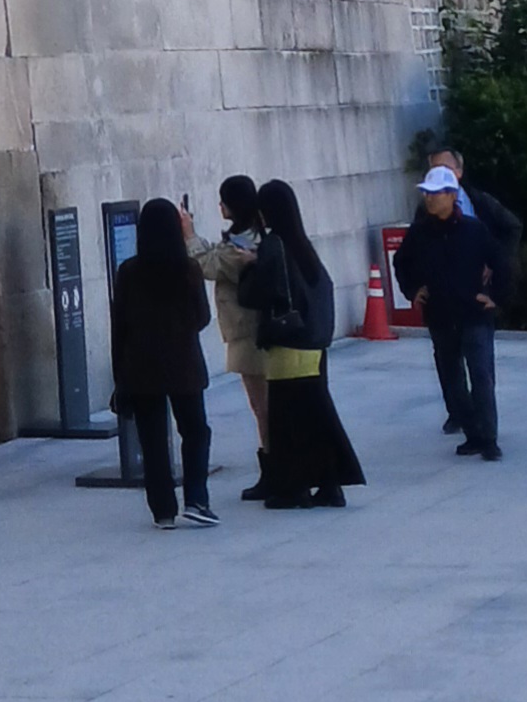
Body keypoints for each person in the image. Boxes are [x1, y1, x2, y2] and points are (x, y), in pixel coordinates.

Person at [242, 178, 364, 509]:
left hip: (287, 343)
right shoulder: (302, 244)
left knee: (287, 419)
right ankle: (329, 484)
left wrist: (248, 266)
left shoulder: (273, 245)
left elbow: (255, 295)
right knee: (315, 416)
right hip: (313, 343)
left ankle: (292, 489)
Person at [109, 197, 217, 529]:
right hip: (184, 363)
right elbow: (202, 317)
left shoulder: (128, 272)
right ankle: (196, 497)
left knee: (153, 440)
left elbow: (119, 326)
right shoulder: (189, 269)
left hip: (141, 366)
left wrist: (120, 374)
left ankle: (163, 510)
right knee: (195, 431)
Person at [395, 164, 502, 459]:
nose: (430, 199)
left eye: (436, 193)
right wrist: (412, 290)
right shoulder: (419, 233)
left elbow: (501, 261)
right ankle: (472, 434)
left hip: (474, 315)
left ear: (452, 195)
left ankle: (489, 439)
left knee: (481, 376)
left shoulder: (474, 230)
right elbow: (401, 263)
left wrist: (496, 297)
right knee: (452, 379)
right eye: (427, 193)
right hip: (440, 317)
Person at [192, 177, 269, 496]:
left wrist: (188, 235)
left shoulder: (245, 243)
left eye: (224, 201)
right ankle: (274, 468)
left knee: (262, 407)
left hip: (248, 331)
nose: (220, 206)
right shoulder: (251, 235)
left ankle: (273, 470)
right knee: (263, 406)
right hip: (250, 330)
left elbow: (206, 264)